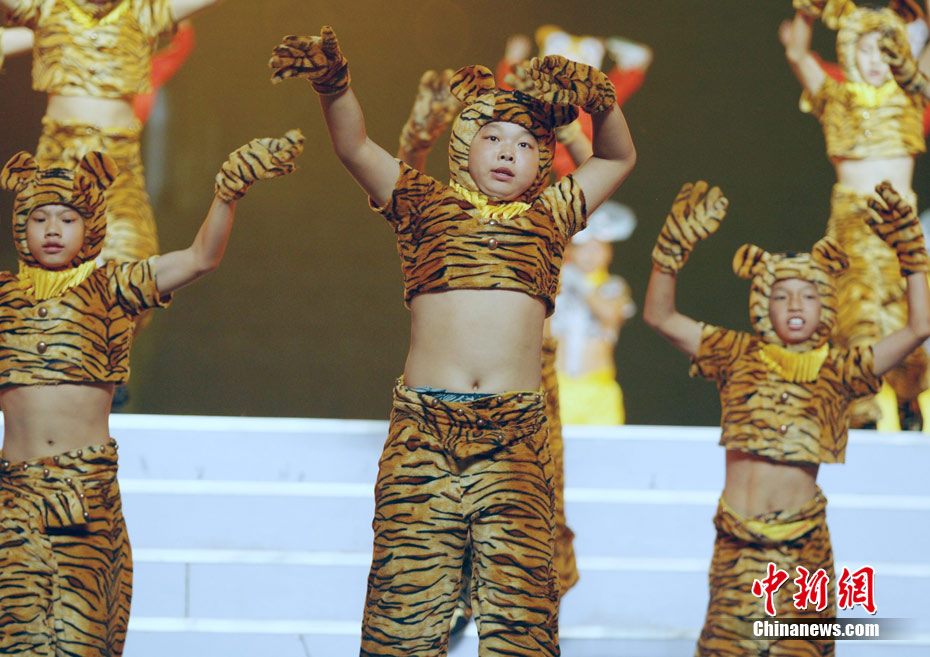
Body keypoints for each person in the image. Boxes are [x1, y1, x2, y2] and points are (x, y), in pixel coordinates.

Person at [270, 25, 635, 655]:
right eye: (492, 136)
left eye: (525, 143)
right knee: (404, 608)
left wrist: (599, 100)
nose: (507, 151)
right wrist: (334, 84)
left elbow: (617, 159)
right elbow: (354, 146)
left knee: (520, 615)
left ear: (543, 160)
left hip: (514, 435)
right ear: (464, 143)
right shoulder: (425, 205)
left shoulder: (549, 217)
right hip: (425, 432)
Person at [0, 128, 304, 657]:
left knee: (80, 638)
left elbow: (199, 259)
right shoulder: (5, 298)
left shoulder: (112, 288)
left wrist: (228, 192)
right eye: (39, 217)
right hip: (14, 496)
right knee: (17, 639)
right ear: (20, 225)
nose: (52, 229)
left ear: (90, 225)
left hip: (84, 492)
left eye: (67, 218)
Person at [643, 180, 930, 656]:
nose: (795, 305)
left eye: (809, 295)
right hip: (739, 544)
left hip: (803, 547)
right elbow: (660, 317)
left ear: (827, 304)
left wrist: (913, 260)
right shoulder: (735, 353)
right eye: (781, 295)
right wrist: (669, 255)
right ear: (761, 302)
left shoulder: (841, 369)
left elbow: (919, 327)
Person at [0, 0, 227, 332]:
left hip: (118, 171)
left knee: (130, 282)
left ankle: (104, 354)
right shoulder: (48, 9)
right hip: (59, 168)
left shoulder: (142, 13)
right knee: (52, 289)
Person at [781, 0, 930, 429]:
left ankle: (908, 397)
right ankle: (861, 410)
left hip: (901, 227)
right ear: (849, 51)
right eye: (866, 50)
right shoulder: (835, 98)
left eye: (885, 50)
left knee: (907, 317)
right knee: (857, 315)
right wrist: (807, 13)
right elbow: (797, 54)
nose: (876, 61)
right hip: (855, 224)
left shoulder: (910, 94)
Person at [550, 200, 636, 425]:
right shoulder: (556, 287)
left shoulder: (614, 286)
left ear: (609, 252)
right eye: (585, 248)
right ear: (571, 251)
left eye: (597, 248)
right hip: (558, 388)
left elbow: (610, 314)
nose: (591, 255)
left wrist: (578, 281)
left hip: (598, 391)